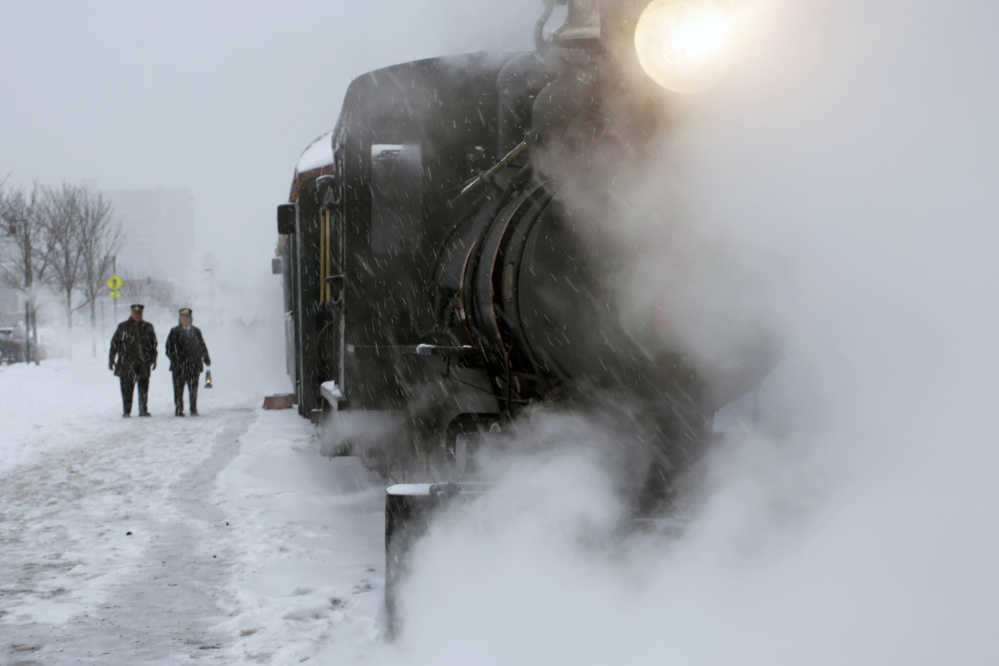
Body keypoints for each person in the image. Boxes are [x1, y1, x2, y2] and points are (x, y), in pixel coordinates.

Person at [109, 303, 158, 417]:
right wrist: (111, 359)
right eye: (135, 313)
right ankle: (126, 411)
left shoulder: (148, 327)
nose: (137, 315)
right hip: (126, 364)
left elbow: (153, 345)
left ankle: (143, 410)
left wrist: (153, 359)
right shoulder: (123, 327)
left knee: (143, 389)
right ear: (131, 313)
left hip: (143, 364)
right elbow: (114, 344)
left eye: (139, 313)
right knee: (126, 389)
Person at [165, 307, 211, 417]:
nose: (185, 319)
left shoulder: (196, 331)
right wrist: (175, 360)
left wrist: (205, 357)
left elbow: (201, 345)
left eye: (187, 317)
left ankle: (193, 409)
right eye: (183, 317)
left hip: (194, 365)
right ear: (180, 319)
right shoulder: (174, 331)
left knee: (193, 388)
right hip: (179, 366)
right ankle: (179, 409)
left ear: (191, 319)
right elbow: (168, 348)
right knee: (178, 389)